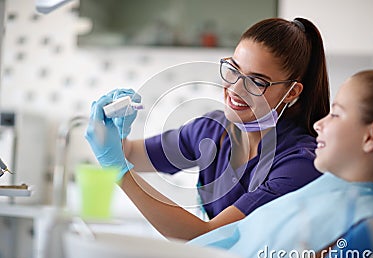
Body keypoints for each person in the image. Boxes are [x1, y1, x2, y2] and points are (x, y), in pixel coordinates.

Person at [85, 17, 330, 240]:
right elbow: (131, 155)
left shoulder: (300, 163)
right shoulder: (212, 130)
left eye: (256, 81)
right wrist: (116, 135)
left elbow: (206, 234)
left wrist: (119, 171)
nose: (235, 89)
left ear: (292, 92)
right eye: (233, 70)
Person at [188, 69, 373, 258]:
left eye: (336, 114)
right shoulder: (327, 187)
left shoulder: (356, 219)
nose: (319, 125)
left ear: (372, 136)